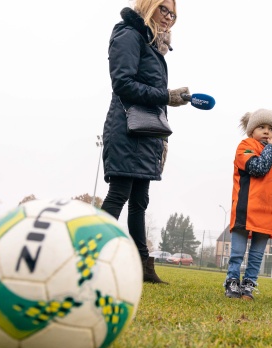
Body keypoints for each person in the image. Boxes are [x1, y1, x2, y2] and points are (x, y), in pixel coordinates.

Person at [100, 0, 190, 284]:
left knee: (140, 200)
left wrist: (172, 99)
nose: (168, 17)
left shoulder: (153, 45)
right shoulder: (129, 34)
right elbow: (122, 83)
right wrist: (166, 96)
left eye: (173, 14)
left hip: (146, 132)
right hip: (127, 129)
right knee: (119, 193)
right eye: (164, 9)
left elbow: (149, 88)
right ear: (148, 5)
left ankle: (142, 266)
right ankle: (86, 253)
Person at [224, 109, 272, 300]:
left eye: (271, 129)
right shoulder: (245, 146)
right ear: (250, 131)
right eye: (261, 127)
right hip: (245, 209)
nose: (266, 131)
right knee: (237, 253)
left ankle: (249, 285)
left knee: (256, 255)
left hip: (268, 212)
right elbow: (257, 168)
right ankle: (232, 282)